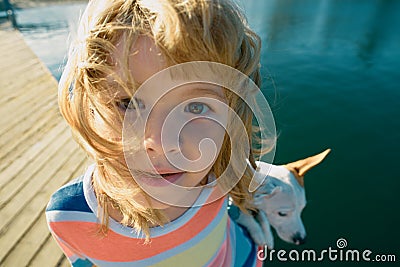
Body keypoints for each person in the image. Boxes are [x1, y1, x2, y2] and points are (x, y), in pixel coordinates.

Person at [46, 0, 275, 266]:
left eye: (196, 106)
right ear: (87, 104)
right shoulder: (69, 217)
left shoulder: (217, 170)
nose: (163, 143)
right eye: (128, 103)